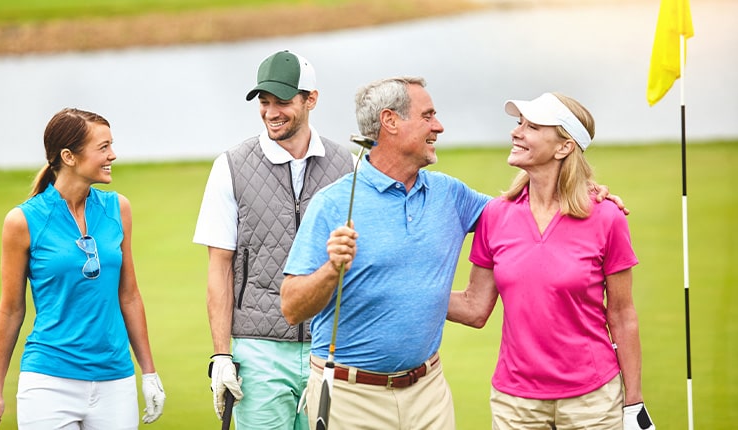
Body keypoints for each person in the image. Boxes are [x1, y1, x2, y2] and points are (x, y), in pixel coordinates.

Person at [280, 76, 491, 429]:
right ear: (390, 121)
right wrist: (331, 269)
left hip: (428, 392)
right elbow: (291, 308)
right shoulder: (332, 204)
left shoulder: (449, 194)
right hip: (350, 398)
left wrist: (577, 188)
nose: (438, 126)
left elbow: (519, 214)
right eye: (427, 116)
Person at [446, 92, 654, 430]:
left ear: (564, 147)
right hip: (515, 403)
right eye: (519, 124)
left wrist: (633, 403)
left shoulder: (606, 217)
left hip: (593, 400)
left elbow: (622, 314)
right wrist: (406, 290)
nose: (517, 133)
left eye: (533, 127)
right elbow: (474, 306)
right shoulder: (496, 215)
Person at [192, 50, 355, 429]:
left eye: (282, 101)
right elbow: (220, 268)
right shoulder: (230, 166)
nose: (271, 112)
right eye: (264, 102)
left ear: (310, 99)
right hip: (258, 351)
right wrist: (221, 356)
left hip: (330, 347)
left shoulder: (346, 165)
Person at [0, 108, 165, 429]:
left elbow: (129, 295)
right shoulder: (23, 221)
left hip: (115, 379)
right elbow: (11, 310)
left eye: (112, 145)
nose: (113, 155)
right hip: (49, 380)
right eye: (103, 147)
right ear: (69, 156)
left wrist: (149, 373)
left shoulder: (117, 208)